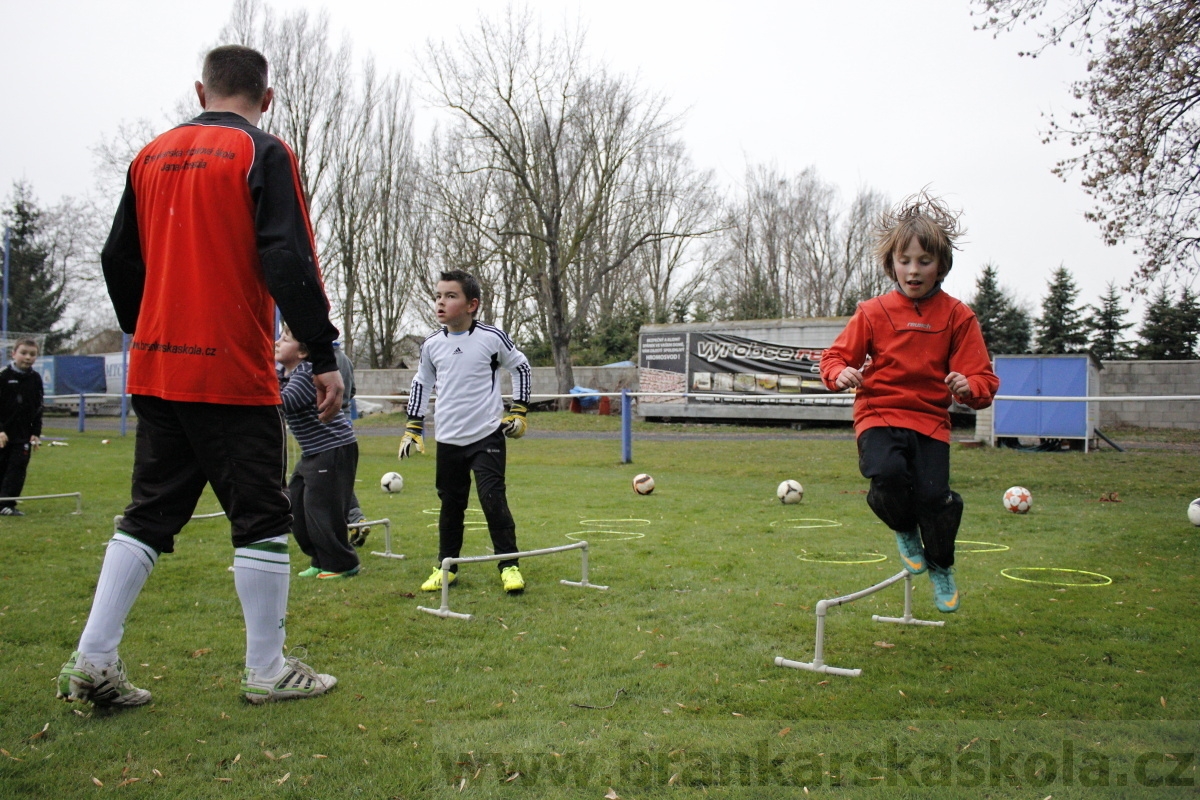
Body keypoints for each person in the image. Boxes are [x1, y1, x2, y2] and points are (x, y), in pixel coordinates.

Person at [58, 45, 344, 708]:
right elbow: (288, 257)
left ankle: (94, 660)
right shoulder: (262, 152)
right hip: (228, 368)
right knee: (263, 515)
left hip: (157, 366)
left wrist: (149, 325)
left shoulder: (148, 155)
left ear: (200, 90)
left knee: (150, 513)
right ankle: (267, 669)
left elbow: (115, 258)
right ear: (265, 99)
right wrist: (322, 354)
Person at [819, 191, 999, 613]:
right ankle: (903, 529)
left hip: (930, 422)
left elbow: (984, 380)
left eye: (924, 261)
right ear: (891, 264)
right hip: (879, 413)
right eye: (905, 261)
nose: (913, 271)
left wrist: (966, 385)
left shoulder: (958, 317)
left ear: (941, 266)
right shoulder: (872, 311)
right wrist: (839, 373)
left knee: (936, 501)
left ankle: (941, 565)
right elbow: (834, 357)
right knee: (886, 474)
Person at [400, 270, 533, 595]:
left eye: (450, 296)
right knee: (451, 504)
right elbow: (422, 382)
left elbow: (521, 366)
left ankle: (509, 565)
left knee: (492, 498)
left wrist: (519, 410)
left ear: (472, 304)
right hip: (448, 439)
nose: (441, 303)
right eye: (438, 296)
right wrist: (413, 427)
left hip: (487, 436)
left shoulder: (491, 338)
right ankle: (446, 567)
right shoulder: (431, 345)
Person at [277, 325, 361, 579]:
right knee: (298, 508)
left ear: (303, 352)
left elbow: (283, 403)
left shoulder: (306, 374)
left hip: (333, 449)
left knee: (320, 509)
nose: (277, 342)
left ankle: (342, 563)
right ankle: (320, 558)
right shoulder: (292, 374)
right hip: (313, 451)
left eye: (285, 339)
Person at [0, 338, 44, 516]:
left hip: (23, 435)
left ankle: (7, 504)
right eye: (24, 353)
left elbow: (38, 407)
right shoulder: (3, 377)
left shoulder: (35, 379)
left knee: (17, 468)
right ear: (14, 354)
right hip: (3, 433)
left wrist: (35, 432)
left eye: (32, 354)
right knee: (2, 466)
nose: (28, 357)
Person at [334, 343, 369, 546]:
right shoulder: (345, 359)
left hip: (331, 424)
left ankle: (355, 520)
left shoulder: (324, 360)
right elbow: (353, 389)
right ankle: (356, 520)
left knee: (334, 479)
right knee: (339, 477)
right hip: (345, 421)